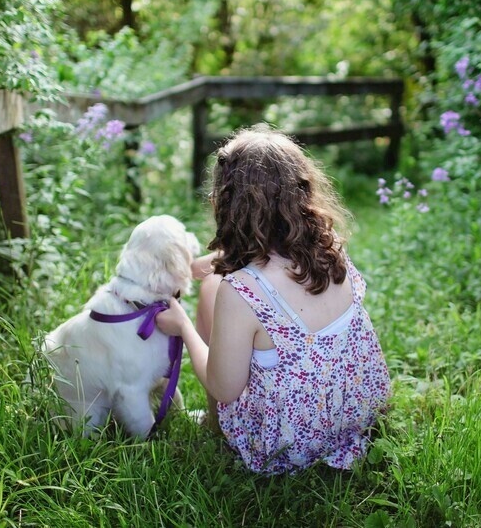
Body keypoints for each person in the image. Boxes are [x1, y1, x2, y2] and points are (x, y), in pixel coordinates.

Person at [155, 126, 391, 474]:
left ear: (223, 205)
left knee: (210, 289)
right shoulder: (330, 249)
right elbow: (268, 264)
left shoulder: (240, 291)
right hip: (355, 415)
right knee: (214, 282)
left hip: (288, 443)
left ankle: (214, 424)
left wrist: (184, 328)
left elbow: (225, 388)